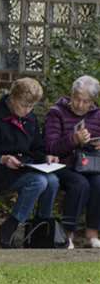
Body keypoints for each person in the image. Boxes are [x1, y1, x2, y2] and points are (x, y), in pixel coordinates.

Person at [0, 77, 60, 248]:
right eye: (24, 105)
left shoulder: (30, 118)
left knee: (53, 181)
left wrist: (46, 158)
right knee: (39, 181)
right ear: (12, 98)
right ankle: (9, 227)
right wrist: (3, 159)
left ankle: (38, 232)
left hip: (23, 168)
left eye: (31, 107)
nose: (28, 110)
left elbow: (37, 148)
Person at [43, 75, 100, 249]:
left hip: (89, 165)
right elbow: (50, 147)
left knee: (99, 182)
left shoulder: (97, 115)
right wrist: (73, 140)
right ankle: (68, 234)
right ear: (71, 94)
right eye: (77, 99)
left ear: (92, 101)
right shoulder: (56, 112)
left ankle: (92, 233)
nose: (80, 105)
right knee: (80, 184)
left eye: (86, 101)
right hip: (63, 165)